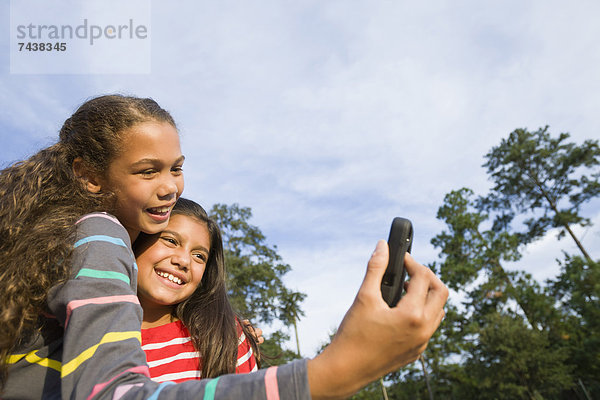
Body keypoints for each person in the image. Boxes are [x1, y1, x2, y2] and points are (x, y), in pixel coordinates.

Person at [0, 93, 448, 399]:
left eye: (176, 168)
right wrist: (334, 371)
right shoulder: (98, 232)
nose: (169, 187)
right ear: (89, 176)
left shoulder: (47, 241)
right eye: (146, 171)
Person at [134, 197, 260, 382]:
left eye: (199, 256)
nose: (184, 261)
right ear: (136, 239)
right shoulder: (87, 331)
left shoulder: (223, 340)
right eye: (171, 240)